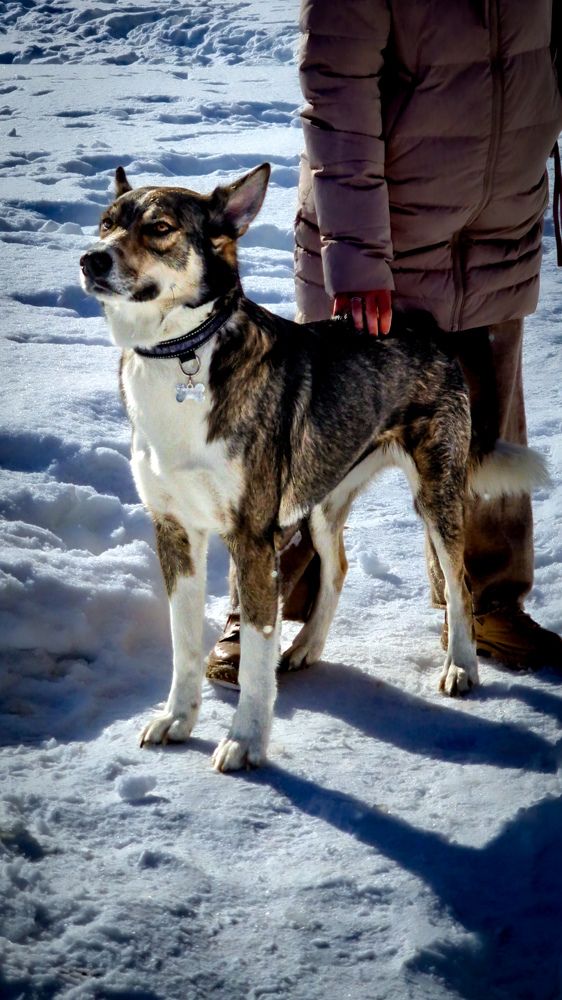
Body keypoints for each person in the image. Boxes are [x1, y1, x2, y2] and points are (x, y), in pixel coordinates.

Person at [207, 0, 562, 683]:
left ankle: (489, 602)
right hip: (383, 244)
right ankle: (263, 607)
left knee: (484, 422)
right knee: (314, 442)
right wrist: (361, 255)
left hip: (499, 227)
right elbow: (335, 96)